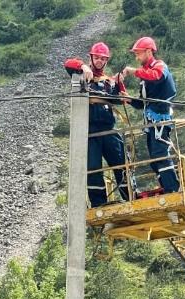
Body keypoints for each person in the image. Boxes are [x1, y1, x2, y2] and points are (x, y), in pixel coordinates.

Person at [64, 42, 132, 207]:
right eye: (97, 58)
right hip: (90, 132)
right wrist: (83, 67)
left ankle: (130, 198)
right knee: (93, 168)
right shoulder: (82, 75)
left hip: (108, 129)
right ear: (91, 58)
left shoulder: (108, 82)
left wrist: (119, 81)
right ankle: (99, 203)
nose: (100, 61)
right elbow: (68, 63)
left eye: (103, 58)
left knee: (122, 163)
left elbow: (123, 98)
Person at [121, 36, 179, 194]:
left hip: (160, 120)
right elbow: (143, 103)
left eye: (138, 53)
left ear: (148, 52)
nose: (137, 57)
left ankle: (172, 188)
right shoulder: (146, 77)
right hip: (151, 122)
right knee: (154, 158)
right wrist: (128, 99)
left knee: (160, 154)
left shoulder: (160, 67)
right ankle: (166, 186)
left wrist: (134, 72)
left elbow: (156, 76)